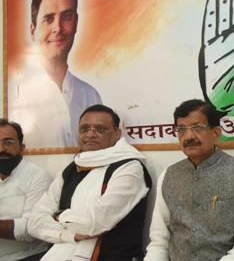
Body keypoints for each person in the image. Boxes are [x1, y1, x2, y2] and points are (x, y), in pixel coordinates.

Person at [28, 105, 152, 261]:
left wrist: (57, 215)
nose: (90, 134)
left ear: (117, 134)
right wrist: (69, 234)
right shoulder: (71, 169)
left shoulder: (129, 168)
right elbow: (34, 222)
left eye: (100, 129)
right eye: (85, 128)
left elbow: (95, 222)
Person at [145, 99, 234, 261]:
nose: (189, 136)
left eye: (197, 128)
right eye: (181, 130)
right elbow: (159, 240)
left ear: (216, 133)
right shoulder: (168, 175)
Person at [9, 0, 102, 148]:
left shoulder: (90, 95)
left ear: (76, 23)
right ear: (33, 30)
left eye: (66, 16)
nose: (58, 28)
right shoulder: (13, 93)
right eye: (48, 19)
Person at [0, 119, 51, 261]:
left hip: (25, 257)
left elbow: (32, 228)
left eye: (8, 142)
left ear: (22, 147)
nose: (1, 149)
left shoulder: (38, 177)